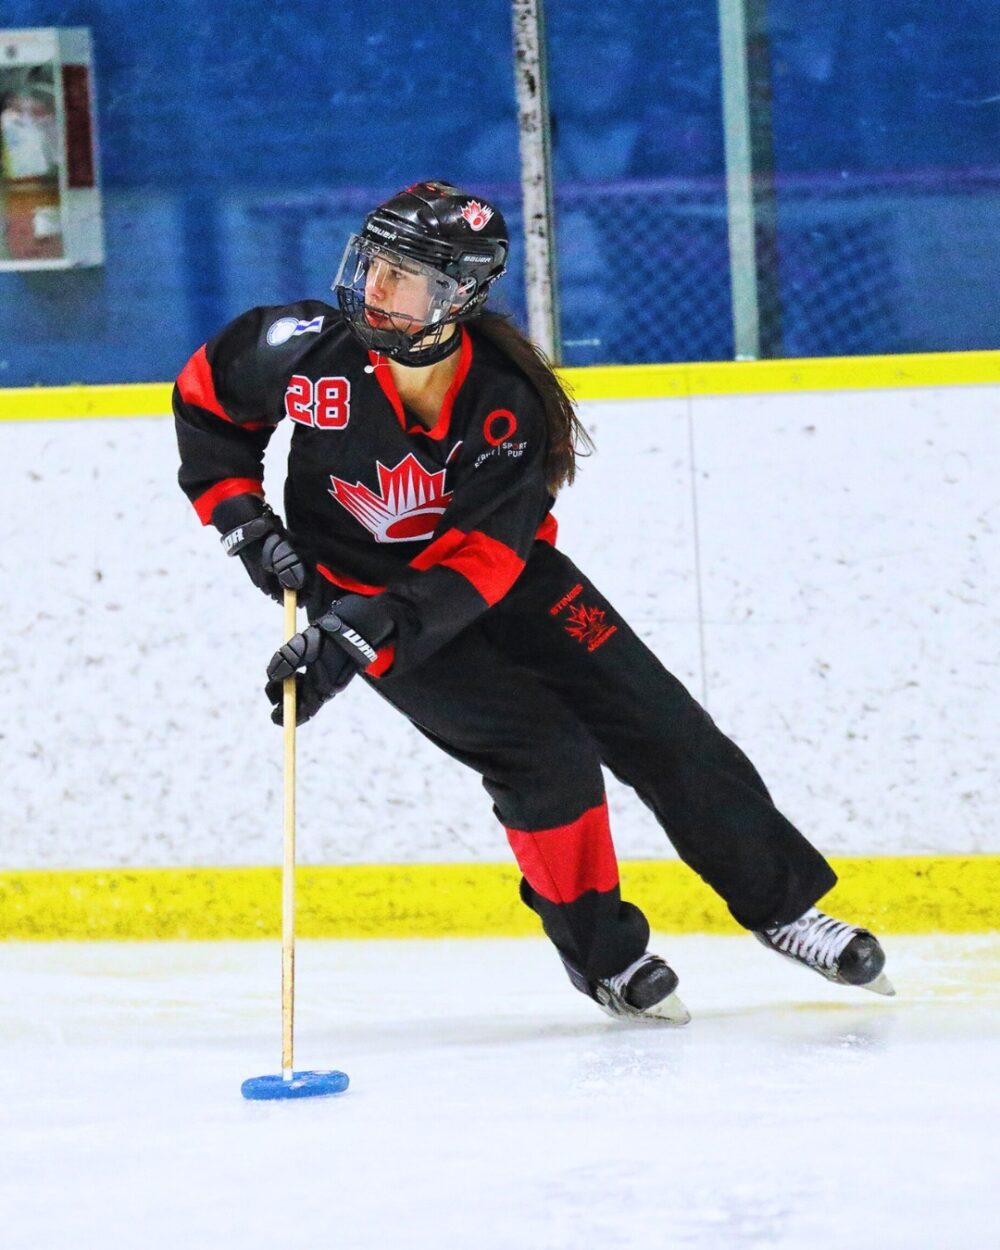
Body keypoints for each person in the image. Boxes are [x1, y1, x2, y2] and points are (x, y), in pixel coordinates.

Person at [173, 180, 893, 1023]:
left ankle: (783, 908)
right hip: (366, 602)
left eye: (402, 278)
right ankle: (609, 962)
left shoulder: (508, 398)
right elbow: (206, 408)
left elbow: (488, 554)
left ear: (459, 295)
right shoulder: (299, 351)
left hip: (500, 584)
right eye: (372, 266)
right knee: (542, 758)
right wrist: (246, 526)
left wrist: (362, 639)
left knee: (663, 725)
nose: (373, 291)